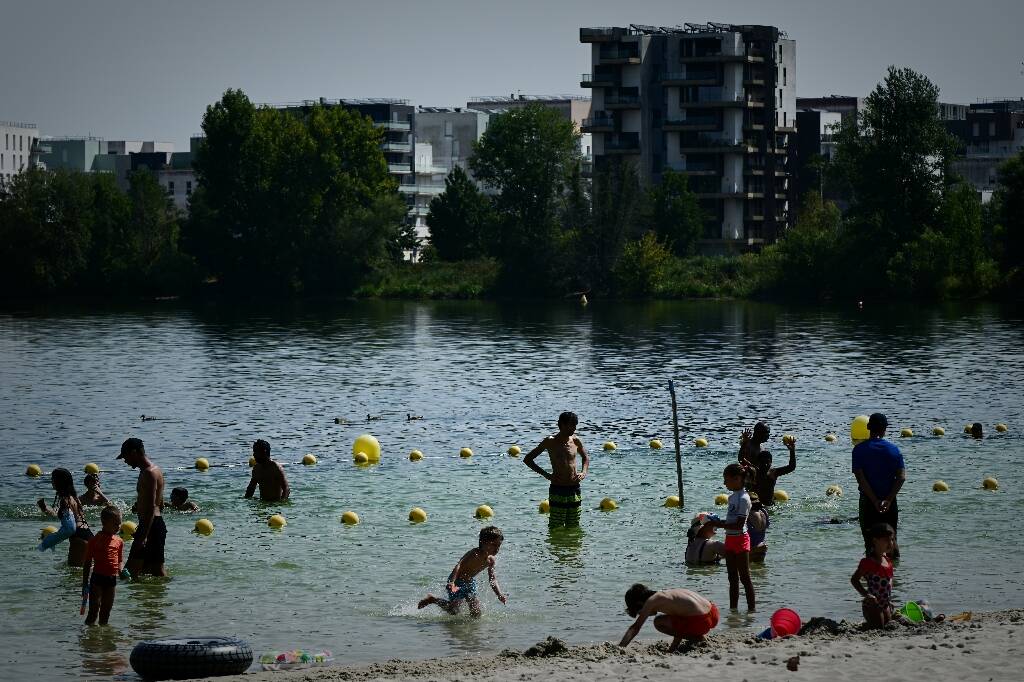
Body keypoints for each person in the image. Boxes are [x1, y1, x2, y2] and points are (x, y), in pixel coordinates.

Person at [417, 526, 507, 617]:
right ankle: (433, 599)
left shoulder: (491, 560)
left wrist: (499, 594)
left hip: (470, 583)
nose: (497, 549)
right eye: (494, 545)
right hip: (457, 582)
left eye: (499, 545)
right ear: (483, 542)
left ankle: (472, 630)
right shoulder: (475, 553)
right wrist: (452, 582)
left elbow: (492, 579)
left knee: (476, 611)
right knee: (453, 610)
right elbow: (459, 565)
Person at [852, 413, 905, 558]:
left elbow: (861, 480)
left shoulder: (858, 450)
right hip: (889, 504)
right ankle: (894, 576)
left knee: (871, 544)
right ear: (884, 429)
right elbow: (901, 477)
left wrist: (875, 500)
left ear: (868, 427)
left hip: (868, 504)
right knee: (892, 542)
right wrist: (888, 499)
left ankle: (872, 578)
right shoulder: (894, 450)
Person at [523, 411, 589, 528]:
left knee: (574, 525)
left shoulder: (575, 440)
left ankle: (572, 546)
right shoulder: (550, 441)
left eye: (575, 425)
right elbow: (528, 459)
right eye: (571, 425)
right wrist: (546, 475)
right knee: (555, 526)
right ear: (562, 425)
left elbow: (585, 458)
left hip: (574, 488)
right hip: (558, 489)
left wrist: (583, 472)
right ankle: (555, 546)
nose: (574, 428)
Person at [117, 437, 168, 577]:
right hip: (152, 525)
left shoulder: (149, 473)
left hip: (150, 527)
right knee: (151, 572)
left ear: (134, 453)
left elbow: (152, 507)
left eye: (125, 457)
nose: (125, 461)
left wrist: (144, 536)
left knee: (129, 574)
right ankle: (156, 597)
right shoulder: (156, 469)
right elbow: (160, 503)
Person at [707, 463, 755, 610]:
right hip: (730, 539)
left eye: (726, 479)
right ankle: (733, 610)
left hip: (741, 539)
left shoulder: (744, 499)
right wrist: (715, 522)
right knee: (732, 578)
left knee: (745, 578)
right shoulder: (732, 497)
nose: (724, 483)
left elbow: (739, 525)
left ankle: (751, 610)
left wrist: (720, 525)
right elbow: (730, 521)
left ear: (736, 479)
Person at [619, 585, 719, 651]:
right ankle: (697, 636)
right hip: (713, 612)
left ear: (640, 603)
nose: (643, 614)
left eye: (638, 612)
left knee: (658, 622)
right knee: (675, 619)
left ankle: (698, 638)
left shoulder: (652, 601)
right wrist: (672, 648)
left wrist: (621, 647)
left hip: (702, 621)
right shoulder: (666, 594)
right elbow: (679, 624)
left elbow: (635, 627)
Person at [37, 467, 93, 566]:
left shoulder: (65, 500)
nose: (51, 481)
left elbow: (69, 528)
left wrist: (50, 541)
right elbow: (60, 515)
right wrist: (45, 508)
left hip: (78, 538)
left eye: (52, 479)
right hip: (87, 534)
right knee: (82, 571)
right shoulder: (74, 498)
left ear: (59, 482)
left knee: (75, 575)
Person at [81, 505, 125, 625]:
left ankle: (104, 637)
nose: (118, 526)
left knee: (106, 611)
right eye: (115, 524)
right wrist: (85, 583)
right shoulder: (95, 540)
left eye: (119, 523)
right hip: (97, 579)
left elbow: (120, 559)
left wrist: (121, 570)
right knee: (94, 610)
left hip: (112, 579)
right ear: (104, 522)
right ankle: (88, 636)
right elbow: (87, 562)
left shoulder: (119, 541)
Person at [850, 522, 896, 628]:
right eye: (886, 540)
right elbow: (854, 580)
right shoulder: (868, 562)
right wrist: (866, 594)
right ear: (875, 540)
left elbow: (890, 579)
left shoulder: (888, 561)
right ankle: (866, 624)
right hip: (872, 605)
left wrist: (889, 598)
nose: (890, 543)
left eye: (892, 539)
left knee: (888, 624)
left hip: (885, 603)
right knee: (879, 626)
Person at [747, 492, 770, 563]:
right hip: (762, 547)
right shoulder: (764, 512)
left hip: (751, 548)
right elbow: (767, 526)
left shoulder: (748, 514)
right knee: (759, 570)